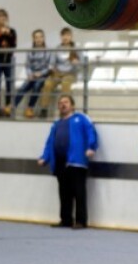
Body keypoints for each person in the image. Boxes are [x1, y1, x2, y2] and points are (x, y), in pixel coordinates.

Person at [38, 95, 98, 229]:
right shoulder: (56, 124)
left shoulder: (81, 119)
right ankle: (66, 219)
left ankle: (81, 221)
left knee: (79, 192)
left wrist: (91, 147)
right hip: (60, 161)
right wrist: (44, 157)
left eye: (65, 102)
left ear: (72, 105)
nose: (62, 105)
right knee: (64, 192)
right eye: (60, 103)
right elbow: (50, 143)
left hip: (76, 161)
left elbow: (91, 132)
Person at [38, 27, 80, 119]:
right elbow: (52, 63)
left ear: (71, 37)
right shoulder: (57, 48)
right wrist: (52, 68)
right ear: (61, 37)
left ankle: (67, 110)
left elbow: (81, 63)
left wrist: (76, 63)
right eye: (63, 35)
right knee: (48, 83)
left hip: (70, 73)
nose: (65, 37)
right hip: (57, 73)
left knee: (65, 83)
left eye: (68, 35)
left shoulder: (75, 49)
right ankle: (44, 109)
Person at [13, 29, 50, 119]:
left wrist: (40, 73)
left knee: (37, 86)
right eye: (36, 37)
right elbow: (28, 65)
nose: (38, 39)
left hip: (43, 75)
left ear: (43, 38)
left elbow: (49, 66)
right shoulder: (30, 51)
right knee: (24, 87)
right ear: (33, 39)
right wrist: (30, 74)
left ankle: (30, 108)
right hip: (32, 75)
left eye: (40, 37)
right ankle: (12, 107)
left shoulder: (48, 51)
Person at [0, 8, 17, 118]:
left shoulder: (12, 31)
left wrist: (8, 35)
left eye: (4, 16)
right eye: (0, 16)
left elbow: (13, 45)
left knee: (9, 84)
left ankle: (7, 108)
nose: (2, 18)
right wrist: (2, 34)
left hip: (8, 60)